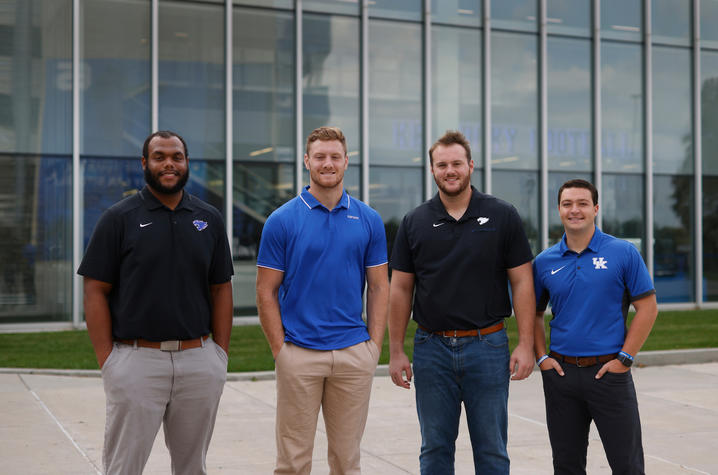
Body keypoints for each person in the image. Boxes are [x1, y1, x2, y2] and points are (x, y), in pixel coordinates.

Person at [78, 130, 234, 475]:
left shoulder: (208, 218)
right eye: (160, 156)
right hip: (136, 363)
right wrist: (110, 361)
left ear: (187, 163)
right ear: (145, 163)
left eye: (176, 157)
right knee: (124, 467)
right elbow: (95, 290)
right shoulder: (119, 218)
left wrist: (218, 355)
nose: (169, 164)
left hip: (199, 362)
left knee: (192, 468)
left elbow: (221, 289)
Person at [388, 130, 536, 474]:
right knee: (435, 449)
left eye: (456, 163)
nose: (449, 170)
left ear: (471, 166)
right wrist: (396, 351)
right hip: (431, 349)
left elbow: (523, 282)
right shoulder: (415, 222)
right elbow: (399, 290)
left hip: (488, 346)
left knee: (492, 451)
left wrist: (526, 343)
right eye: (442, 165)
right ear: (432, 170)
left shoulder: (502, 215)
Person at [256, 126, 389, 475]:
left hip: (353, 354)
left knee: (347, 461)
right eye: (319, 157)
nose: (327, 163)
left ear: (346, 161)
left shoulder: (369, 220)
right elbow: (265, 291)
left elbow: (378, 287)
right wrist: (280, 351)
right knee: (293, 463)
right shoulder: (281, 221)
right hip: (298, 353)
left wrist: (373, 347)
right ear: (306, 161)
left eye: (334, 157)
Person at [533, 179, 658, 474]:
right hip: (561, 376)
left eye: (582, 203)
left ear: (596, 209)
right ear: (559, 210)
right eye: (567, 204)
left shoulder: (623, 253)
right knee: (566, 465)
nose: (574, 210)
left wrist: (625, 359)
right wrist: (542, 358)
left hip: (609, 375)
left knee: (627, 465)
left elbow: (648, 307)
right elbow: (534, 315)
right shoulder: (543, 262)